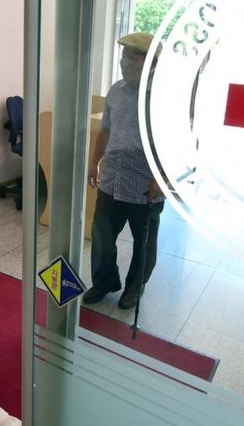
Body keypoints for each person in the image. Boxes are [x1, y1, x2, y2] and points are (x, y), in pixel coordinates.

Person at [84, 33, 164, 310]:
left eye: (133, 57)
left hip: (146, 186)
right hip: (112, 180)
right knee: (102, 236)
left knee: (143, 243)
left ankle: (134, 287)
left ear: (152, 63)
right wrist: (94, 161)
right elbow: (105, 130)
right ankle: (104, 281)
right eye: (124, 56)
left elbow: (179, 146)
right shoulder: (116, 91)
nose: (124, 62)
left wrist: (161, 179)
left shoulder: (167, 98)